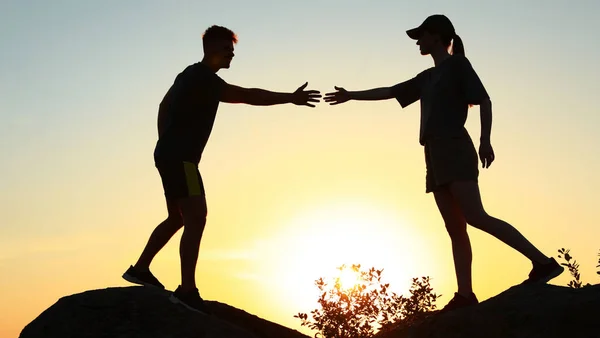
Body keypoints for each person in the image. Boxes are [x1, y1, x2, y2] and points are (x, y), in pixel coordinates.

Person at [323, 15, 563, 312]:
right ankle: (465, 294)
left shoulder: (458, 65)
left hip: (454, 147)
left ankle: (543, 263)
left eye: (420, 36)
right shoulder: (427, 77)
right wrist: (351, 96)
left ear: (436, 36)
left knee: (475, 216)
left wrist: (485, 140)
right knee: (455, 227)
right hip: (434, 153)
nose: (417, 42)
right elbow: (390, 91)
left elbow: (484, 101)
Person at [123, 25, 321, 314]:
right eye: (228, 49)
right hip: (182, 158)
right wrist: (289, 97)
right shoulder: (204, 78)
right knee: (197, 218)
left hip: (168, 154)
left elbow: (163, 104)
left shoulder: (188, 74)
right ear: (213, 49)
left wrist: (164, 141)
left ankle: (140, 269)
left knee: (177, 217)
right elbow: (248, 95)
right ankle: (187, 290)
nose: (232, 55)